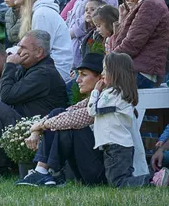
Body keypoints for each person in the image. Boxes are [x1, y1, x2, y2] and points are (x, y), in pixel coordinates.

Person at [0, 30, 68, 178]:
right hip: (22, 127)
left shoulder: (43, 73)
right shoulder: (29, 68)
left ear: (39, 52)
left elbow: (6, 97)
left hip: (36, 132)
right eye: (19, 47)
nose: (18, 52)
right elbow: (0, 95)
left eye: (23, 48)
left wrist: (9, 66)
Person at [17, 52, 107, 187]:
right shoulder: (92, 100)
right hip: (88, 169)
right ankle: (47, 172)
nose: (77, 80)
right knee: (59, 114)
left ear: (100, 78)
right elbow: (65, 113)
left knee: (67, 123)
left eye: (83, 74)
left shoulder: (105, 100)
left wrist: (39, 127)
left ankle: (46, 172)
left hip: (102, 173)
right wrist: (36, 129)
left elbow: (76, 118)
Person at [88, 52, 153, 187]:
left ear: (116, 72)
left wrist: (95, 91)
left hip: (115, 146)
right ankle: (151, 179)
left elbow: (92, 110)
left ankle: (153, 181)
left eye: (105, 69)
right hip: (120, 145)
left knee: (119, 182)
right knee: (119, 179)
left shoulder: (111, 94)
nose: (102, 72)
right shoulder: (123, 94)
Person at [110, 0, 169, 88]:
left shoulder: (151, 5)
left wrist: (109, 61)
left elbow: (132, 43)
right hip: (139, 69)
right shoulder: (149, 2)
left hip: (141, 72)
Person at [10, 0, 72, 80]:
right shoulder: (37, 12)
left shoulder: (41, 14)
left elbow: (37, 52)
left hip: (56, 74)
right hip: (46, 70)